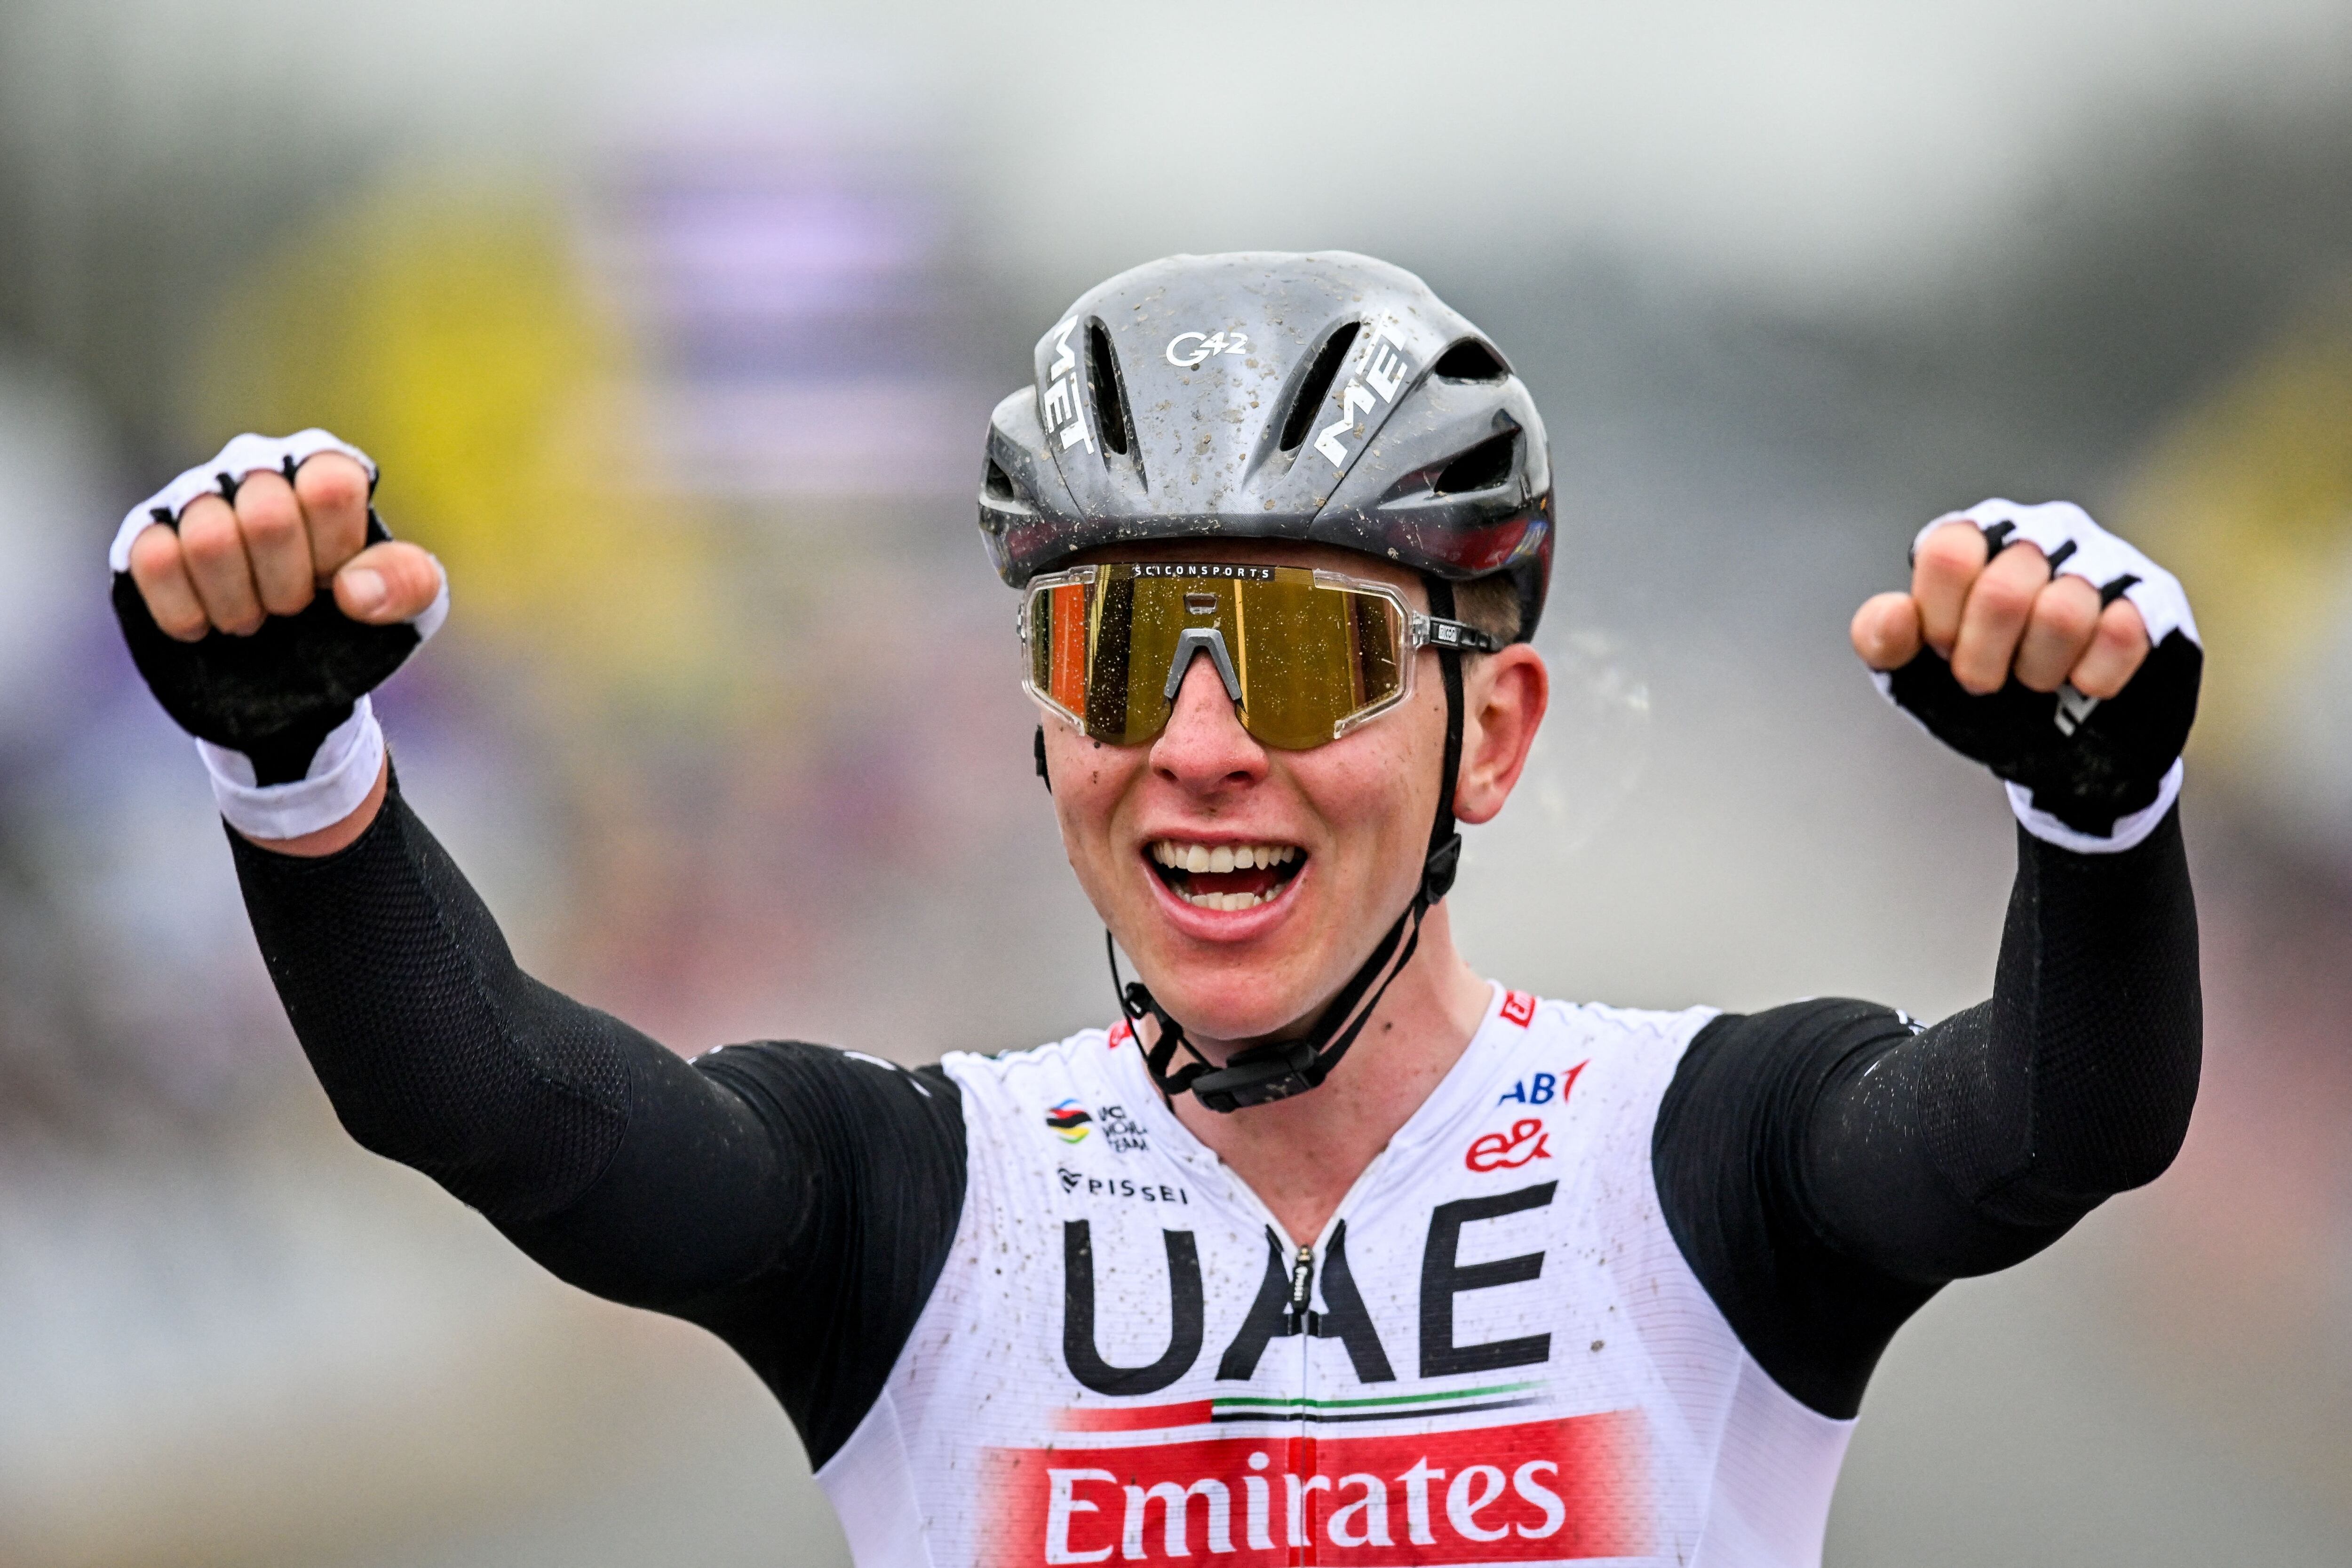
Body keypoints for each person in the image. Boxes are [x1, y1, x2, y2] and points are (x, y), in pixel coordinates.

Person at [110, 253, 2201, 1567]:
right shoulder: (909, 1200)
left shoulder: (1706, 1157)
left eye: (1298, 660)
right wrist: (298, 778)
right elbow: (488, 1097)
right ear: (1041, 728)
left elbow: (2060, 1117)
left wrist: (2097, 826)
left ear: (1490, 739)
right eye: (1120, 655)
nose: (1198, 745)